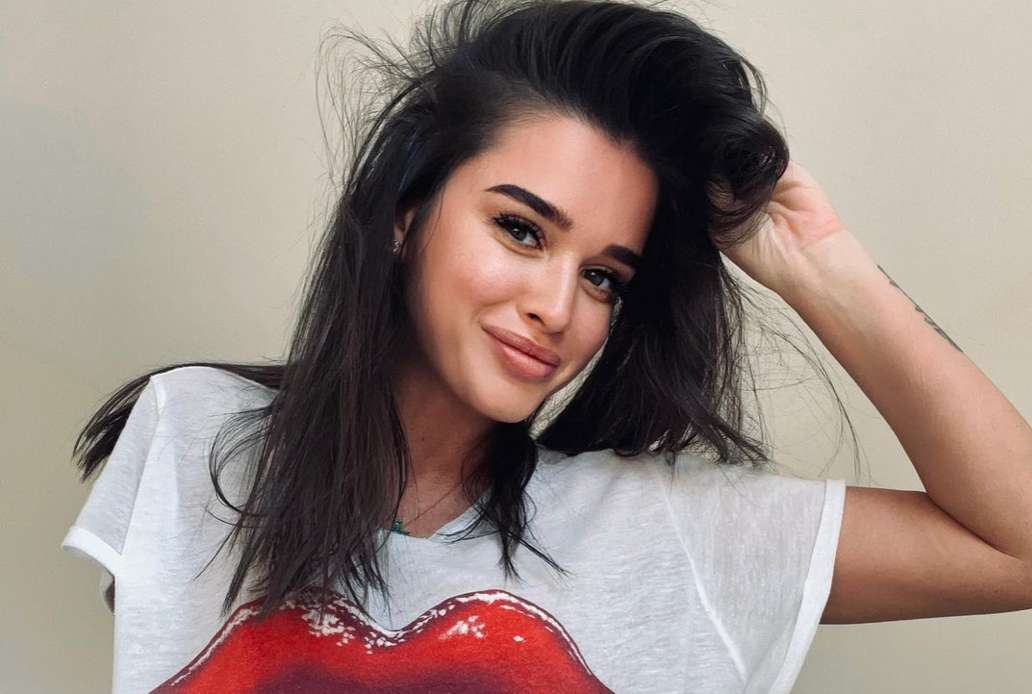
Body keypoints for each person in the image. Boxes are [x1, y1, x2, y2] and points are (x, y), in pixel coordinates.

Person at [60, 0, 1032, 692]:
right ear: (406, 212)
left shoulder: (663, 531)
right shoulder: (198, 441)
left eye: (605, 276)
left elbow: (1017, 546)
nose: (558, 306)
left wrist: (822, 267)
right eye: (521, 230)